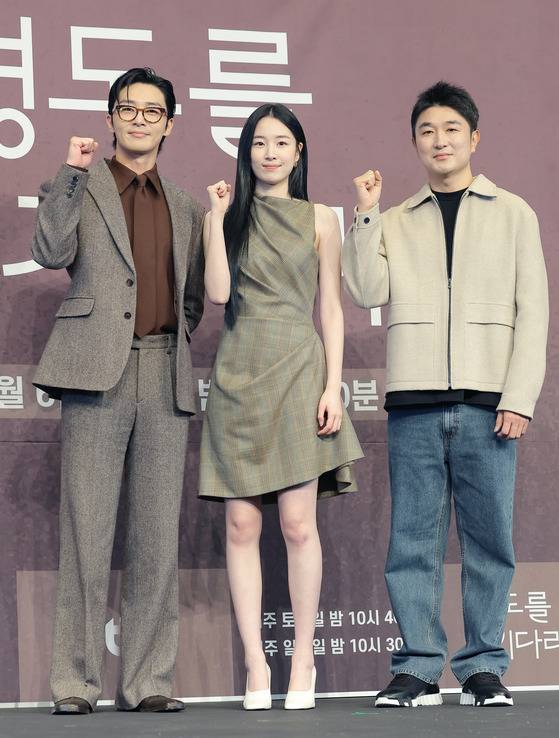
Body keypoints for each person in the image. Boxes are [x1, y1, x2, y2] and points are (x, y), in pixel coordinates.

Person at [342, 81, 548, 708]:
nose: (440, 140)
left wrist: (519, 396)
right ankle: (418, 668)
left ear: (474, 137)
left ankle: (483, 666)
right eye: (427, 131)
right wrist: (366, 213)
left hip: (490, 405)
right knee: (412, 541)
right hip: (415, 403)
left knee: (489, 542)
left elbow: (534, 313)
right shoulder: (396, 219)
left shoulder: (513, 213)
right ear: (415, 142)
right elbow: (365, 290)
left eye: (451, 129)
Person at [31, 67, 205, 715]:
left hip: (164, 371)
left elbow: (192, 301)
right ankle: (75, 684)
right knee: (87, 531)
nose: (139, 119)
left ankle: (148, 681)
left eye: (152, 110)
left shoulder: (185, 206)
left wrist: (164, 340)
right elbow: (50, 250)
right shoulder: (80, 183)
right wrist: (71, 172)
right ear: (110, 119)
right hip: (93, 370)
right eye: (127, 108)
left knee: (157, 536)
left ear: (169, 124)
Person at [198, 103, 363, 710]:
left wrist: (333, 385)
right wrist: (217, 219)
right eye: (259, 143)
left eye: (281, 142)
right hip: (238, 373)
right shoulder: (228, 214)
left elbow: (332, 309)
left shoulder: (321, 218)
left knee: (298, 525)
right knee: (241, 525)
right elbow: (218, 293)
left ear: (299, 152)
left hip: (298, 370)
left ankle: (303, 662)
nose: (269, 152)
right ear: (246, 153)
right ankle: (255, 666)